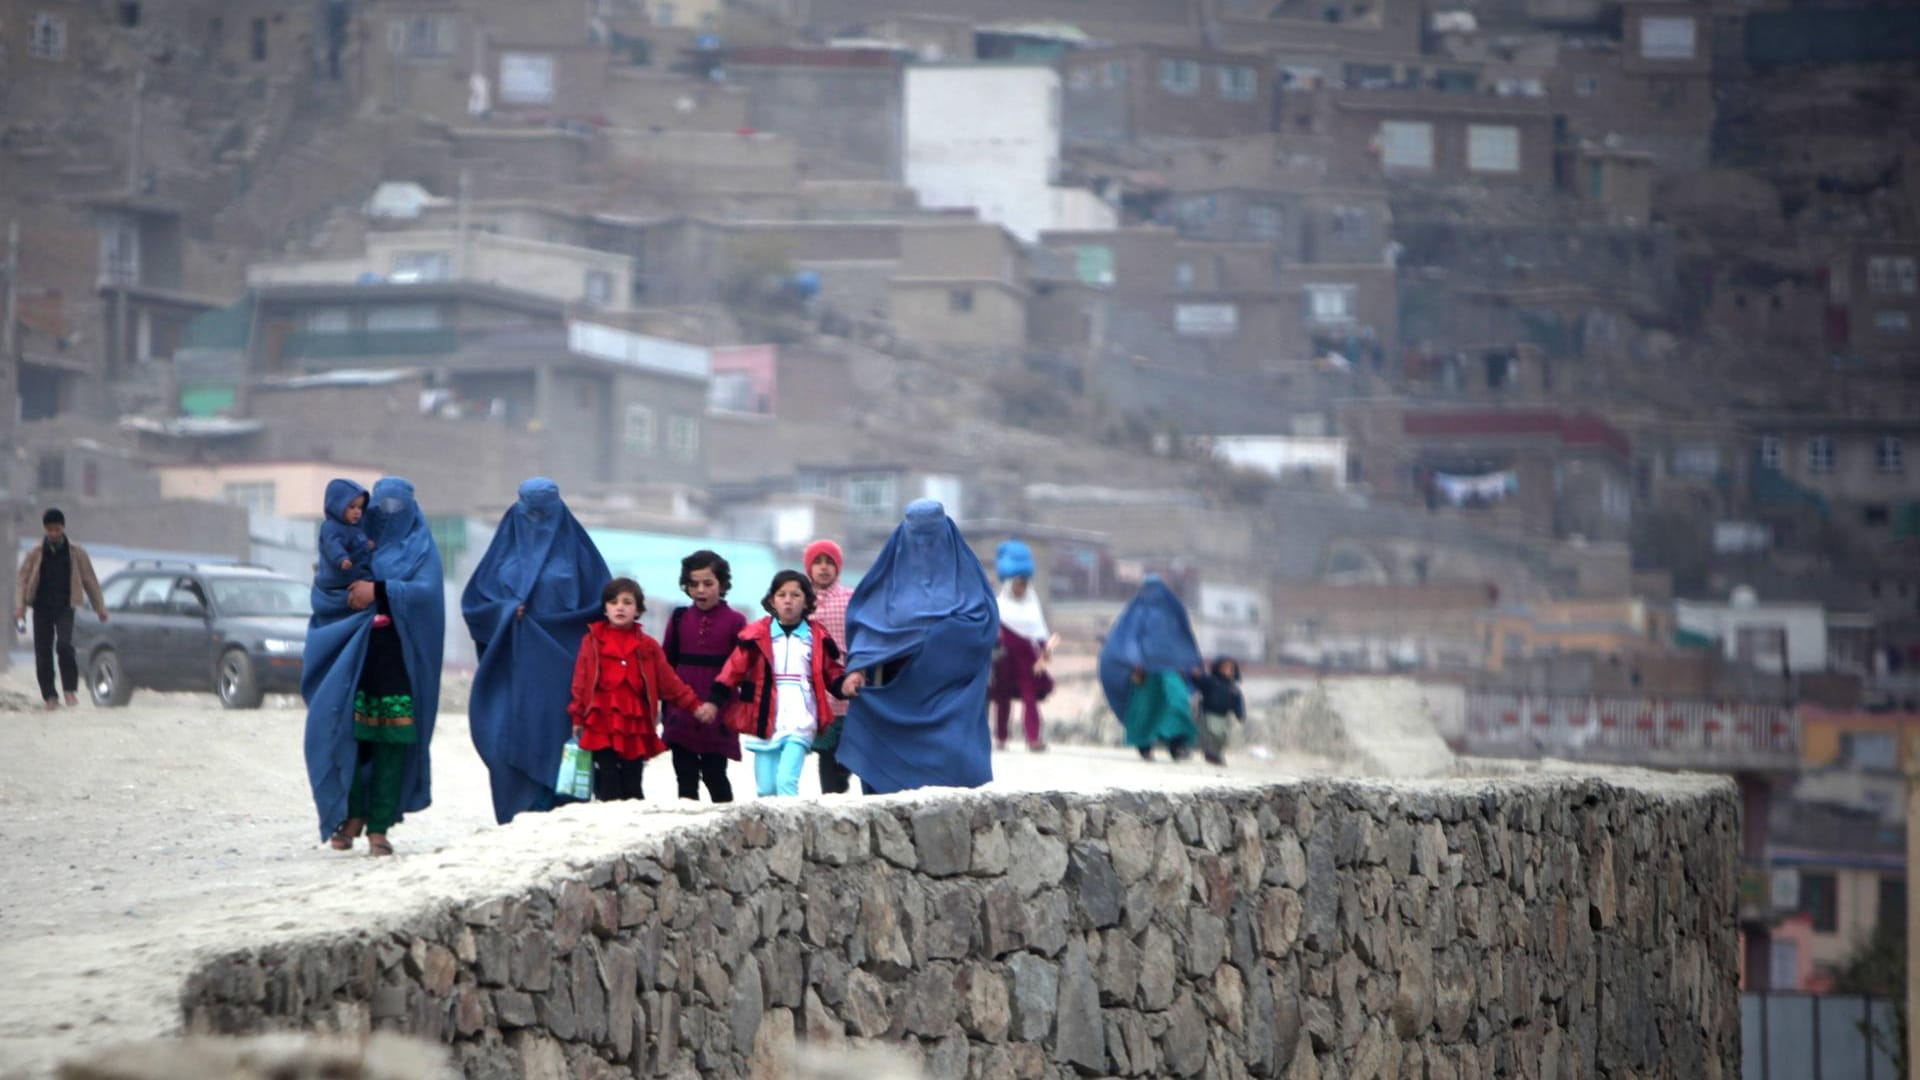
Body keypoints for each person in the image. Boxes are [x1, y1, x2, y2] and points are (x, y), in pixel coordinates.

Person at [303, 477, 444, 856]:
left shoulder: (421, 548)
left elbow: (427, 593)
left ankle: (379, 826)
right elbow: (327, 588)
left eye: (397, 507)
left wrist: (378, 591)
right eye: (380, 507)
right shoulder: (353, 538)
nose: (388, 515)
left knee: (392, 744)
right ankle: (351, 816)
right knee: (349, 735)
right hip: (354, 655)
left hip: (399, 659)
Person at [462, 478, 611, 825]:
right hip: (513, 667)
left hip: (565, 669)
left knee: (559, 740)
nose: (537, 521)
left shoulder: (577, 553)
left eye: (544, 511)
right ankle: (518, 812)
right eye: (530, 511)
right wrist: (504, 611)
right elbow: (475, 605)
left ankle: (559, 814)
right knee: (504, 742)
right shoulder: (503, 551)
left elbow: (602, 606)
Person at [837, 500, 998, 795]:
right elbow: (866, 623)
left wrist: (943, 638)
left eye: (931, 538)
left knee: (955, 765)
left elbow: (984, 626)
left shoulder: (966, 578)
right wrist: (857, 668)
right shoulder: (886, 580)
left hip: (950, 698)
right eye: (917, 538)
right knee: (885, 776)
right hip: (893, 695)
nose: (924, 547)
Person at [568, 577, 715, 801]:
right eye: (614, 602)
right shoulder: (592, 641)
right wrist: (577, 717)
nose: (620, 607)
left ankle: (634, 826)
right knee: (607, 779)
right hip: (601, 721)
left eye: (627, 602)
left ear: (637, 610)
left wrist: (695, 706)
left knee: (632, 782)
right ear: (605, 609)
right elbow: (580, 681)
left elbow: (670, 683)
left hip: (635, 723)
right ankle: (611, 828)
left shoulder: (648, 646)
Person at [708, 570, 849, 798]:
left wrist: (845, 686)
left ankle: (792, 832)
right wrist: (715, 700)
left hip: (801, 717)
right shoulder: (756, 635)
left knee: (786, 782)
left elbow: (831, 671)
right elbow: (734, 668)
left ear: (806, 601)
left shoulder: (816, 637)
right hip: (765, 716)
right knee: (766, 789)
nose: (788, 600)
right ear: (772, 600)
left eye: (795, 595)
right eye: (782, 594)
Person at [661, 550, 747, 803]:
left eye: (708, 583)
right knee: (684, 777)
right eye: (694, 584)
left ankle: (730, 830)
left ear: (722, 585)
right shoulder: (679, 618)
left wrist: (715, 703)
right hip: (681, 709)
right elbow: (666, 664)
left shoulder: (736, 621)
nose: (700, 590)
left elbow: (740, 668)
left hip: (719, 711)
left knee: (714, 774)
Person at [1099, 575, 1203, 761]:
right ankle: (1144, 745)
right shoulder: (1136, 614)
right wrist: (1135, 662)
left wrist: (1186, 665)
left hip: (1170, 670)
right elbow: (1127, 641)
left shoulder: (1173, 613)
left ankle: (1177, 744)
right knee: (1144, 709)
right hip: (1145, 672)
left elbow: (1182, 641)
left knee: (1177, 703)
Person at [13, 508, 108, 710]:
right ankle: (50, 696)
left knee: (65, 646)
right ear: (45, 530)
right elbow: (22, 579)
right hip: (41, 607)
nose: (54, 533)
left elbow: (89, 580)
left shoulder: (76, 552)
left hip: (65, 606)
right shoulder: (36, 552)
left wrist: (100, 608)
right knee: (43, 652)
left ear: (63, 528)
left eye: (57, 529)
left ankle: (70, 691)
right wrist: (20, 607)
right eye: (50, 530)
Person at [804, 538, 858, 793]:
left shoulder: (851, 599)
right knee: (817, 751)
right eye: (818, 562)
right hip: (812, 689)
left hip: (844, 687)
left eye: (829, 562)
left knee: (841, 750)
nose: (824, 568)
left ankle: (839, 795)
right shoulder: (799, 599)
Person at [991, 538, 1053, 753]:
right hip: (1004, 659)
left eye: (1023, 585)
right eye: (1017, 585)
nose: (1020, 589)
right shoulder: (1000, 606)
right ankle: (1001, 736)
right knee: (1002, 698)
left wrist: (1045, 653)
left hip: (1027, 660)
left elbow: (1040, 633)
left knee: (1030, 698)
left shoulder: (1032, 606)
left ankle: (1033, 738)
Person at [316, 479, 375, 589]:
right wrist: (342, 559)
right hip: (341, 577)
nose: (357, 512)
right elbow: (332, 544)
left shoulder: (356, 529)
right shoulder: (331, 527)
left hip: (359, 576)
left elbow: (358, 545)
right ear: (337, 506)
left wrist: (367, 545)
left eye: (360, 507)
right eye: (352, 507)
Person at [1192, 656, 1247, 766]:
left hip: (1223, 716)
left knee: (1222, 736)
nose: (1227, 671)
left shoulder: (1233, 688)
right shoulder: (1211, 681)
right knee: (1211, 734)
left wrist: (1240, 714)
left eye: (1230, 669)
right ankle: (1210, 753)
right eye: (1224, 668)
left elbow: (1237, 702)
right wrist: (1196, 677)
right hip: (1209, 713)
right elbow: (1200, 682)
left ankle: (1216, 753)